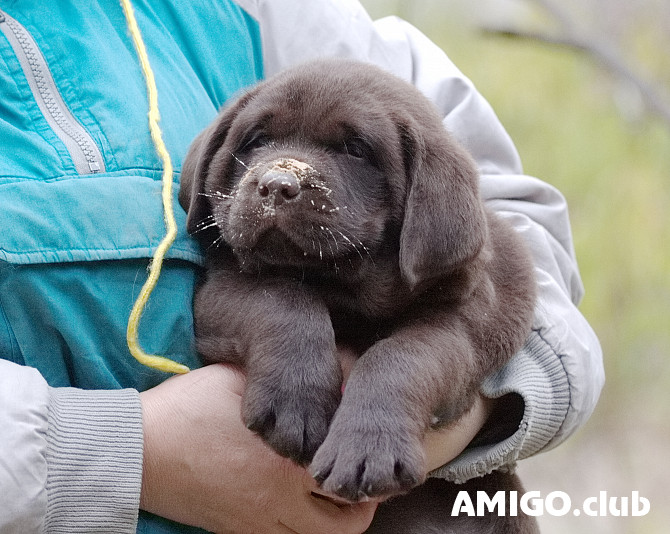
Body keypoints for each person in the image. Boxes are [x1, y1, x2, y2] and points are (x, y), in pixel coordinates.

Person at [0, 1, 604, 533]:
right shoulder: (245, 266)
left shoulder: (262, 12)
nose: (281, 176)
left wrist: (423, 402)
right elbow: (226, 291)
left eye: (353, 150)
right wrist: (118, 454)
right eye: (257, 142)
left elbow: (517, 251)